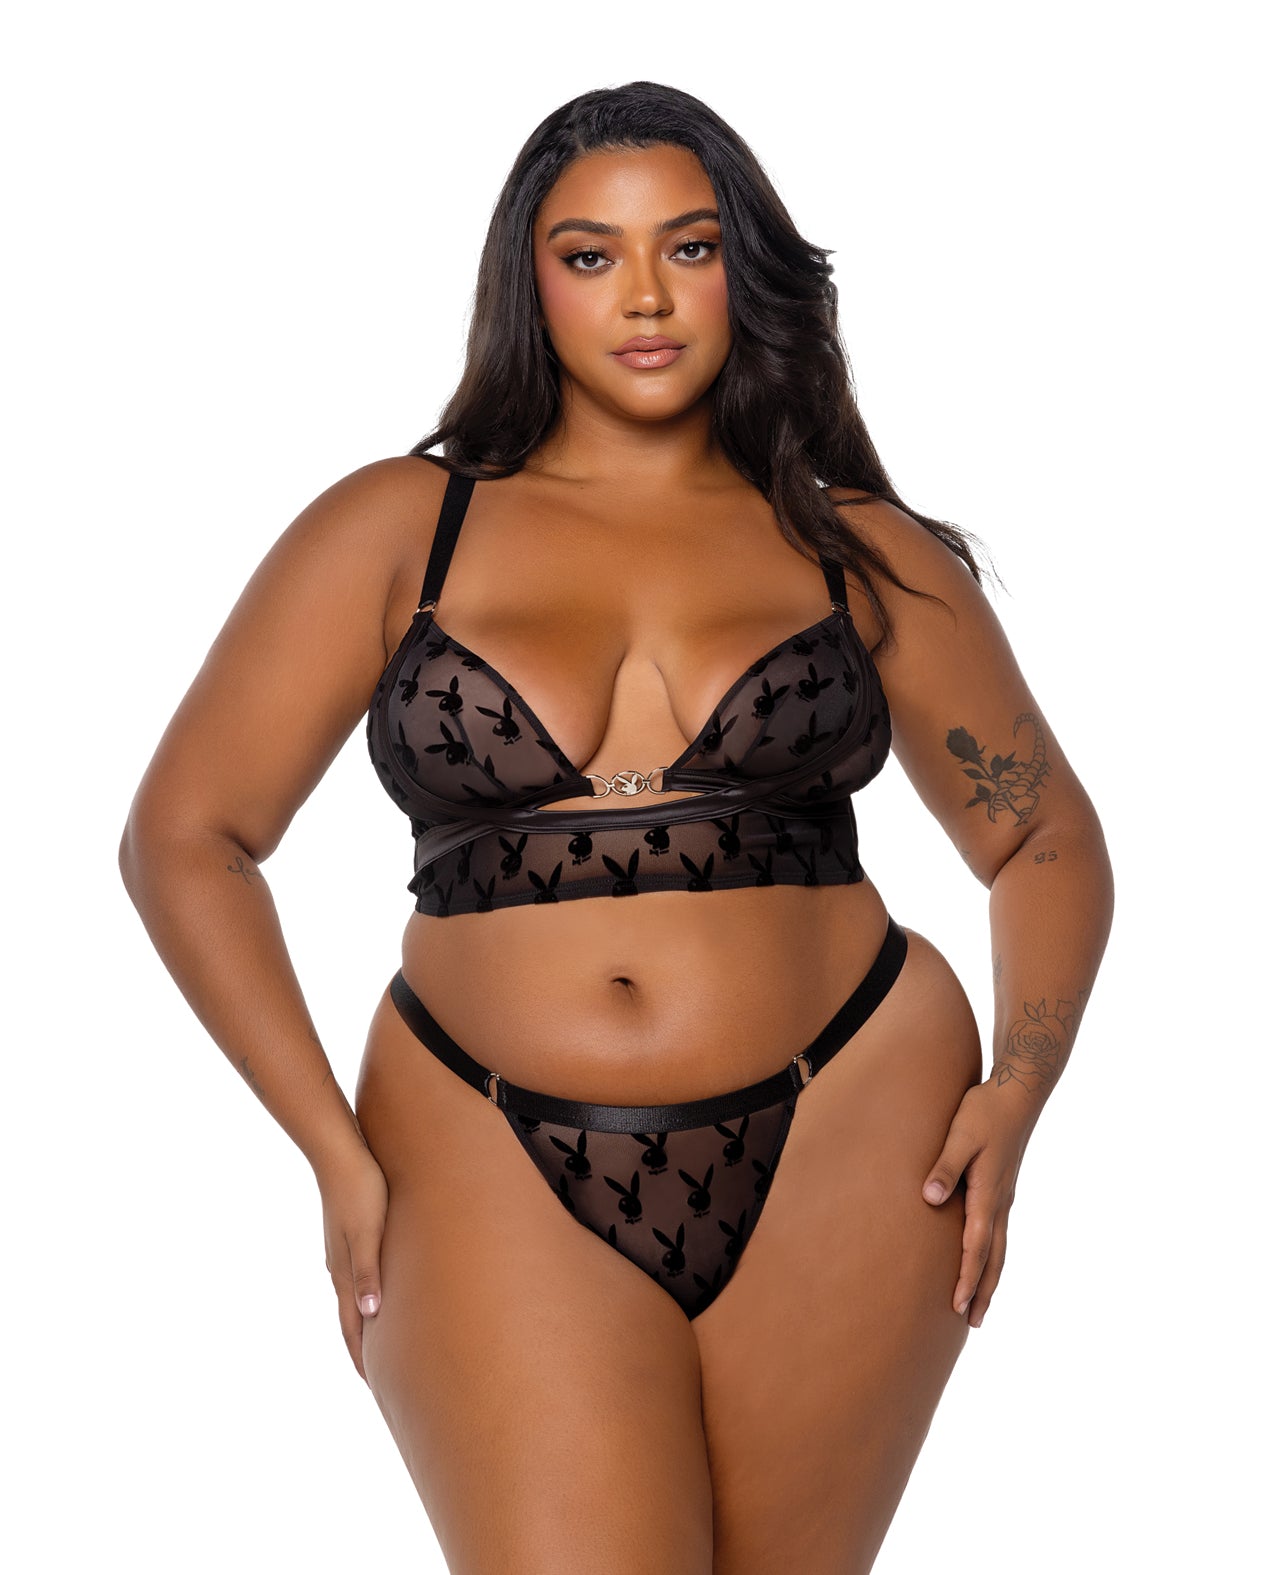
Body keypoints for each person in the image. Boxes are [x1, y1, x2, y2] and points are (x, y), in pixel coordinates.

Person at [119, 80, 1114, 1575]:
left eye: (689, 248)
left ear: (744, 271)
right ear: (527, 284)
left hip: (855, 1122)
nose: (645, 296)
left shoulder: (857, 551)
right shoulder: (397, 529)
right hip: (481, 1135)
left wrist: (1017, 1095)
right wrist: (330, 1147)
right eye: (590, 255)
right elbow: (187, 837)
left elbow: (1044, 841)